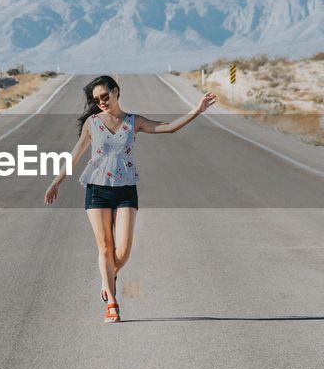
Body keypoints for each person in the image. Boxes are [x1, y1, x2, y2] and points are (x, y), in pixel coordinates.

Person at [44, 76, 217, 322]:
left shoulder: (133, 122)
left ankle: (108, 277)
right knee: (105, 246)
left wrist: (197, 111)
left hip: (125, 189)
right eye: (97, 99)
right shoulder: (92, 123)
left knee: (123, 250)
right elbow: (75, 154)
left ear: (116, 92)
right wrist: (56, 182)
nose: (101, 102)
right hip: (97, 188)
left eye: (105, 96)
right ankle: (112, 302)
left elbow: (168, 127)